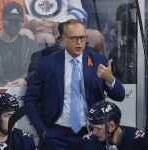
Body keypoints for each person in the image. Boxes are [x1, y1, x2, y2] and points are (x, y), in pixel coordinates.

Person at [24, 19, 125, 150]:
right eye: (74, 38)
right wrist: (43, 131)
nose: (79, 42)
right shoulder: (47, 63)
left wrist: (110, 79)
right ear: (64, 38)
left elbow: (120, 96)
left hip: (93, 134)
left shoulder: (98, 60)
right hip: (57, 136)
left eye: (83, 38)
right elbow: (30, 99)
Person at [24, 0, 103, 50]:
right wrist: (31, 22)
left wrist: (59, 25)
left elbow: (79, 13)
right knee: (45, 38)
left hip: (66, 29)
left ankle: (99, 73)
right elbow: (19, 10)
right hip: (37, 31)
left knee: (95, 36)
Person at [0, 2, 40, 86]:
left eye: (17, 21)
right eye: (10, 21)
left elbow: (39, 69)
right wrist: (2, 85)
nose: (13, 25)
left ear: (23, 22)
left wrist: (26, 79)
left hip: (23, 92)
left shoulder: (30, 45)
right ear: (2, 20)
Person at [79, 101, 148, 150]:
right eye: (92, 127)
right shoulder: (87, 142)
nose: (93, 132)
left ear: (111, 126)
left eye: (98, 128)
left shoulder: (139, 140)